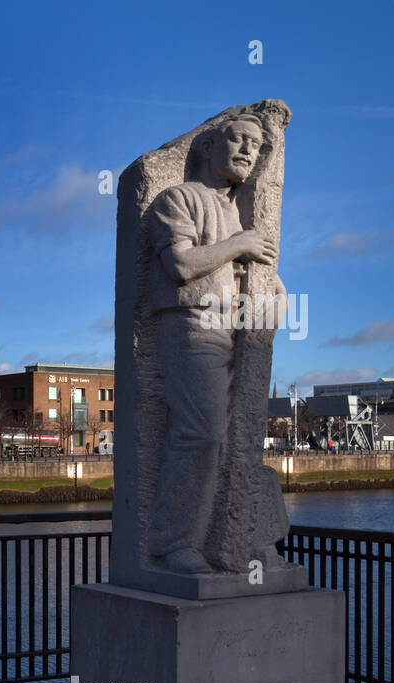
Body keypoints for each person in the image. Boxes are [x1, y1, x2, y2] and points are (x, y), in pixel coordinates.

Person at [145, 113, 284, 575]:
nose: (248, 150)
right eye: (239, 139)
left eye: (257, 145)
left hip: (237, 331)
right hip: (193, 325)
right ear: (208, 146)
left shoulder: (238, 212)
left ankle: (231, 542)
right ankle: (172, 543)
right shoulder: (178, 197)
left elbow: (246, 275)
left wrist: (272, 300)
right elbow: (181, 266)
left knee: (233, 444)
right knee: (200, 433)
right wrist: (239, 244)